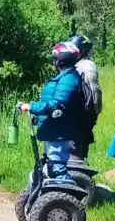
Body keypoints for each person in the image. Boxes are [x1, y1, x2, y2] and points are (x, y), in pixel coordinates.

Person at [19, 42, 85, 180]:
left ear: (61, 60)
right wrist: (37, 117)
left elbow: (56, 106)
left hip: (60, 132)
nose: (53, 62)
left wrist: (32, 107)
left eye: (55, 59)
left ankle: (65, 191)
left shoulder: (69, 79)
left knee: (56, 168)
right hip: (54, 130)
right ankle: (50, 192)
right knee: (49, 166)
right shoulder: (64, 77)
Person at [66, 35, 102, 160]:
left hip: (81, 114)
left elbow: (93, 90)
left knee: (77, 149)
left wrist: (94, 112)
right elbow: (95, 91)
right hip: (78, 114)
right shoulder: (83, 65)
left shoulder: (85, 65)